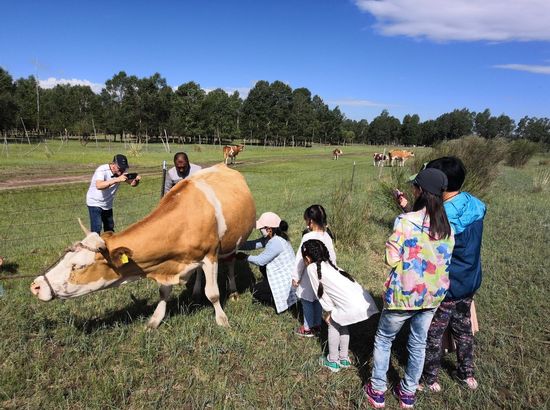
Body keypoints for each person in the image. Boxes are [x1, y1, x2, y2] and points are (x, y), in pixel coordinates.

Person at [364, 168, 455, 409]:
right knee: (418, 343)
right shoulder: (447, 227)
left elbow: (391, 259)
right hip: (432, 296)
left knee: (384, 339)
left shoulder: (405, 222)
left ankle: (377, 389)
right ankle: (407, 393)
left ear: (420, 191)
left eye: (415, 186)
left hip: (404, 294)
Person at [417, 157, 486, 392]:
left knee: (433, 333)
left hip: (447, 285)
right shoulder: (475, 204)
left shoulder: (443, 216)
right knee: (463, 328)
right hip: (470, 280)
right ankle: (467, 375)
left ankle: (429, 379)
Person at [301, 239, 378, 372]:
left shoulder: (312, 268)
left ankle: (333, 361)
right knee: (342, 323)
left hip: (352, 306)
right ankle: (343, 358)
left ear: (307, 258)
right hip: (363, 301)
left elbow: (320, 293)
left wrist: (329, 311)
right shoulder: (329, 264)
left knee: (333, 323)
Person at [236, 212, 297, 313]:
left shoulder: (276, 242)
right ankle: (272, 289)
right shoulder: (274, 237)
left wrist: (245, 257)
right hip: (287, 276)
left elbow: (260, 260)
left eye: (261, 229)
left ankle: (281, 302)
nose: (260, 231)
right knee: (263, 268)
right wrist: (234, 244)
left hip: (287, 282)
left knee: (256, 291)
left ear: (269, 229)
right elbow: (252, 244)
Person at [292, 204, 336, 337]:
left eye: (306, 220)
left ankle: (307, 328)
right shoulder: (327, 236)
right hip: (323, 276)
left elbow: (300, 259)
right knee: (318, 300)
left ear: (310, 221)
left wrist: (296, 277)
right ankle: (317, 325)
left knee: (307, 302)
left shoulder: (307, 237)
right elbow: (332, 257)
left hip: (309, 276)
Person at [86, 154, 141, 234]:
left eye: (124, 168)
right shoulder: (102, 170)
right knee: (96, 228)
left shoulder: (122, 171)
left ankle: (108, 242)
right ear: (113, 164)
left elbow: (132, 184)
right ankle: (94, 242)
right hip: (94, 202)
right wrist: (116, 179)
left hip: (107, 204)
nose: (122, 171)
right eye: (119, 168)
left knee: (110, 229)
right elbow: (99, 186)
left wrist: (136, 180)